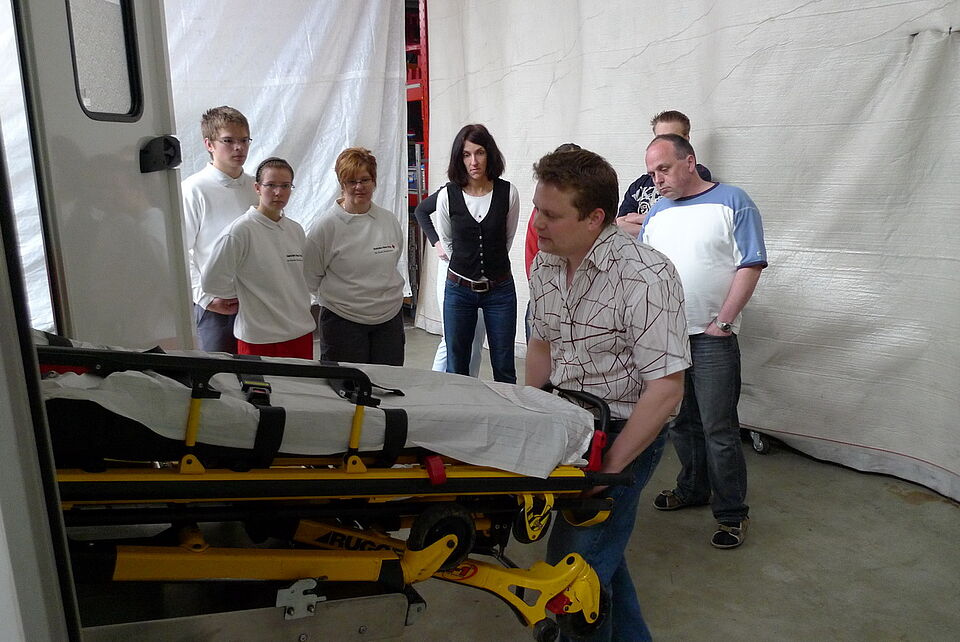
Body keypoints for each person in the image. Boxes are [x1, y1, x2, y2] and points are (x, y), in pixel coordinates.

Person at [526, 148, 690, 641]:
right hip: (566, 425)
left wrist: (611, 470)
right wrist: (526, 417)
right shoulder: (546, 265)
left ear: (595, 218)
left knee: (572, 577)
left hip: (623, 432)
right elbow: (541, 346)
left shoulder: (646, 275)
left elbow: (666, 389)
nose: (537, 223)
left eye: (552, 214)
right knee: (602, 558)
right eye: (536, 208)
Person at [641, 133, 768, 549]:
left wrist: (723, 322)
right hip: (669, 339)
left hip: (712, 339)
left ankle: (731, 514)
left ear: (690, 161)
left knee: (719, 428)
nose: (657, 180)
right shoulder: (657, 213)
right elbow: (644, 271)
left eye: (663, 169)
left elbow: (750, 264)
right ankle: (693, 487)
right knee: (681, 422)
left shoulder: (733, 201)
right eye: (651, 173)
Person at [201, 157, 315, 359]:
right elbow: (211, 282)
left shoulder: (295, 230)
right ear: (257, 188)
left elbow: (298, 279)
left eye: (285, 186)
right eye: (271, 185)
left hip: (299, 333)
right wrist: (246, 292)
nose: (278, 192)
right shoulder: (240, 231)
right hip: (259, 339)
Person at [304, 147, 406, 365]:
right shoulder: (326, 227)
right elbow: (310, 277)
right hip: (343, 322)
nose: (359, 187)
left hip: (389, 320)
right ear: (342, 185)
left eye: (365, 180)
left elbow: (392, 261)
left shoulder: (388, 220)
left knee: (388, 381)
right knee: (347, 383)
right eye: (351, 181)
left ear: (374, 181)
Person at [435, 124, 520, 383]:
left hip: (500, 290)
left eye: (480, 152)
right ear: (459, 159)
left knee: (504, 365)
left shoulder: (508, 193)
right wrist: (468, 265)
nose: (474, 161)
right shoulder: (447, 196)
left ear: (489, 154)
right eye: (466, 154)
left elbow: (506, 240)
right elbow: (448, 241)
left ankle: (506, 409)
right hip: (459, 289)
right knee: (456, 364)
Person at [181, 106, 258, 353]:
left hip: (257, 302)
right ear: (209, 144)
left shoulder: (256, 187)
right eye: (228, 141)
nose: (239, 148)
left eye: (244, 140)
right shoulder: (194, 189)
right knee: (220, 371)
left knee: (259, 371)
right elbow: (180, 252)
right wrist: (205, 298)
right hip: (218, 307)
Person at [413, 190, 485, 376]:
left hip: (480, 272)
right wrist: (438, 243)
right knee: (451, 337)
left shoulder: (491, 193)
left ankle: (471, 385)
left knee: (476, 339)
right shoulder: (451, 191)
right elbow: (421, 211)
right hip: (451, 268)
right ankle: (436, 386)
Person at [615, 110, 712, 238]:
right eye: (659, 139)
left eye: (672, 138)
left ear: (686, 140)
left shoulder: (698, 175)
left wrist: (639, 219)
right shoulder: (640, 184)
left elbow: (683, 224)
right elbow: (619, 226)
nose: (664, 144)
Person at [523, 142, 581, 340]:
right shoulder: (540, 211)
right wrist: (542, 290)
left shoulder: (589, 210)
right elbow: (531, 254)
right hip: (547, 296)